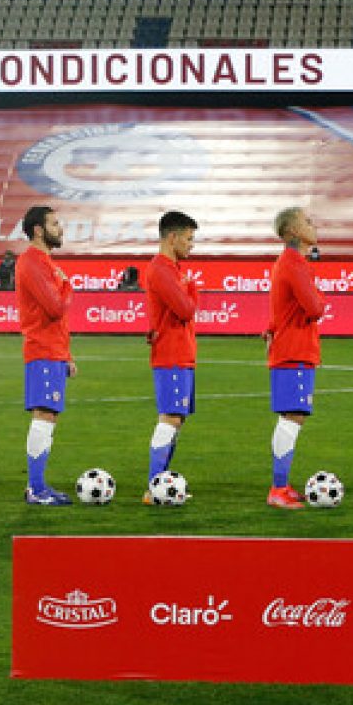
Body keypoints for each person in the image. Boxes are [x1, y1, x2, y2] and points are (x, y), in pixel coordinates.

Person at [264, 206, 325, 509]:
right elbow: (314, 307)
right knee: (292, 416)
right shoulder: (294, 263)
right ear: (292, 232)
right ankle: (278, 488)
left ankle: (281, 486)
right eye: (307, 222)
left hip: (290, 348)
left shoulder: (288, 263)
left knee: (292, 416)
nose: (313, 225)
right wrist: (321, 296)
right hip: (295, 350)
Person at [16, 205, 76, 505]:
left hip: (52, 350)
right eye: (54, 223)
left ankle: (39, 487)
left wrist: (66, 354)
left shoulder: (44, 262)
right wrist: (67, 285)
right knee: (44, 414)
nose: (60, 228)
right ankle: (35, 489)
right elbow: (54, 308)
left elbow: (56, 316)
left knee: (48, 415)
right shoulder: (32, 262)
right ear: (38, 230)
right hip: (41, 349)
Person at [143, 211, 198, 503]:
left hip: (181, 354)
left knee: (176, 419)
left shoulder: (172, 269)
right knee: (170, 418)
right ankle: (154, 487)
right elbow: (186, 310)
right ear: (172, 237)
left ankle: (160, 484)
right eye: (189, 239)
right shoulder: (162, 270)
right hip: (171, 354)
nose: (192, 245)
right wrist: (190, 287)